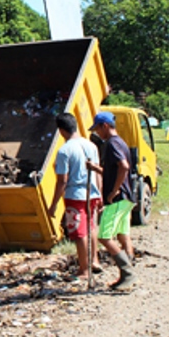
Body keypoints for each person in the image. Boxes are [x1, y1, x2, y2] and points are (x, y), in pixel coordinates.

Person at [48, 113, 102, 279]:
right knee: (91, 226)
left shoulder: (64, 151)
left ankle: (84, 270)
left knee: (79, 233)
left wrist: (54, 204)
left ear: (61, 130)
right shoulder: (91, 145)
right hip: (92, 193)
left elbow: (62, 181)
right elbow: (98, 172)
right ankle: (95, 261)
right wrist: (99, 193)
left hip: (75, 196)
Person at [87, 111, 136, 289]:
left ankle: (128, 273)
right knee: (122, 233)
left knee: (104, 236)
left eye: (98, 129)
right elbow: (114, 170)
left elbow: (124, 167)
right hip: (127, 197)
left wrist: (113, 191)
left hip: (118, 198)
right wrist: (96, 168)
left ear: (105, 126)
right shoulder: (121, 142)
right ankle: (127, 271)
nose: (97, 133)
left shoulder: (112, 144)